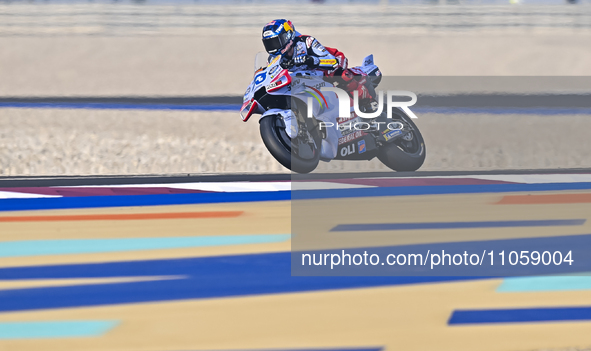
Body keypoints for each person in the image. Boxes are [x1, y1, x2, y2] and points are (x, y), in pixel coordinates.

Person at [261, 19, 375, 161]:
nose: (273, 47)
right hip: (307, 80)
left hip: (328, 65)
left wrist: (310, 60)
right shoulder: (273, 58)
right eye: (269, 44)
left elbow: (331, 61)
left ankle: (369, 103)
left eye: (275, 42)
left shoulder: (306, 42)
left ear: (287, 36)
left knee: (339, 75)